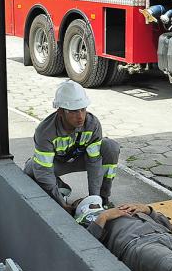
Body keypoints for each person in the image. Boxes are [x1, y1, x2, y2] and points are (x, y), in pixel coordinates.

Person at [24, 79, 120, 209]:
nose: (80, 116)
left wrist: (95, 200)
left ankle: (104, 199)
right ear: (60, 112)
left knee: (110, 147)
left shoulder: (92, 124)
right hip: (55, 164)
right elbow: (44, 171)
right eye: (73, 111)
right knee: (31, 170)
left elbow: (94, 163)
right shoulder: (44, 131)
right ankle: (59, 188)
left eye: (83, 109)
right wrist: (61, 204)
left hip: (81, 160)